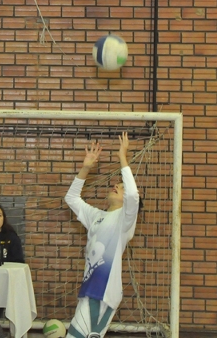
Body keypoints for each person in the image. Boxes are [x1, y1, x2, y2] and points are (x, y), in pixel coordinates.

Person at [64, 132, 140, 338]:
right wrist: (85, 168)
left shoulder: (125, 221)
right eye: (116, 184)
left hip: (104, 294)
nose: (116, 186)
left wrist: (122, 157)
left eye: (121, 187)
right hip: (89, 291)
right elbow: (71, 198)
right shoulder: (96, 216)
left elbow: (133, 195)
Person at [0, 204, 25, 338]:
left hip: (6, 280)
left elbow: (19, 262)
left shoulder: (12, 237)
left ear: (4, 218)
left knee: (0, 290)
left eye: (0, 215)